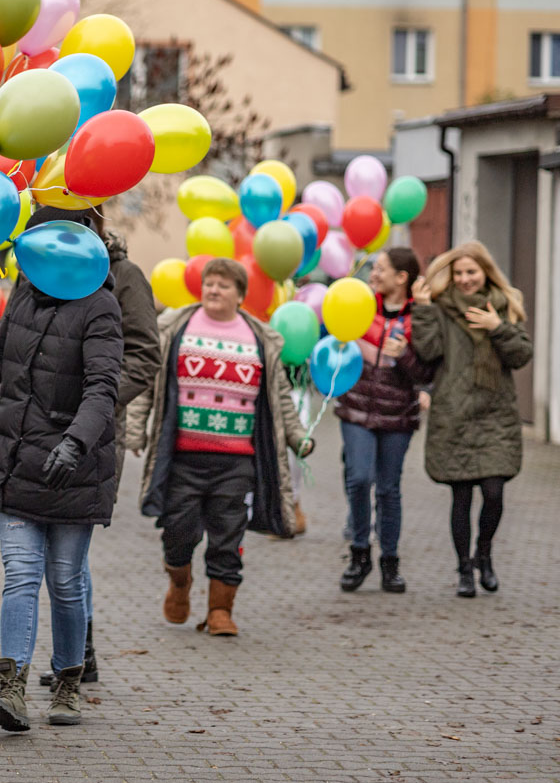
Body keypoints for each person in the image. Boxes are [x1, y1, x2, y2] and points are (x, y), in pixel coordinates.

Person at [0, 207, 124, 733]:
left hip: (72, 470)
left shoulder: (100, 305)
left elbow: (103, 388)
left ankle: (67, 684)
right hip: (17, 461)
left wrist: (75, 443)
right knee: (21, 574)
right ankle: (11, 687)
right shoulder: (25, 294)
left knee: (66, 581)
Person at [126, 257, 313, 639]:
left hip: (237, 461)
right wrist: (134, 429)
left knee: (228, 535)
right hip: (182, 457)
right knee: (178, 531)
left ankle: (220, 610)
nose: (213, 290)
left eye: (223, 285)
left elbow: (280, 397)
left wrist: (298, 437)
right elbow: (149, 382)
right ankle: (179, 581)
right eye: (209, 283)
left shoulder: (260, 338)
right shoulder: (174, 327)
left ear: (240, 295)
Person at [36, 227, 161, 688]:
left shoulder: (123, 275)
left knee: (72, 546)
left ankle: (79, 654)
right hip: (39, 427)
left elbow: (145, 355)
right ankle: (75, 654)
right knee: (48, 549)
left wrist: (98, 403)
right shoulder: (41, 268)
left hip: (97, 432)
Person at [410, 241, 532, 597]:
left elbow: (521, 355)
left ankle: (484, 555)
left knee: (494, 494)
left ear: (485, 272)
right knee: (461, 497)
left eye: (471, 272)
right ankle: (465, 568)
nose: (465, 279)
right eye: (459, 273)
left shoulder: (505, 304)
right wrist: (423, 310)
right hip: (455, 412)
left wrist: (497, 326)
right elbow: (429, 351)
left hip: (495, 413)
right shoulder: (442, 307)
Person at [334, 248, 434, 593]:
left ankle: (390, 562)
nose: (373, 275)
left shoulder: (419, 317)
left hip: (398, 415)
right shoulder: (359, 306)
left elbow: (426, 372)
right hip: (356, 409)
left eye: (380, 269)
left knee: (389, 489)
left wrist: (403, 354)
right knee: (359, 478)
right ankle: (359, 553)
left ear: (401, 277)